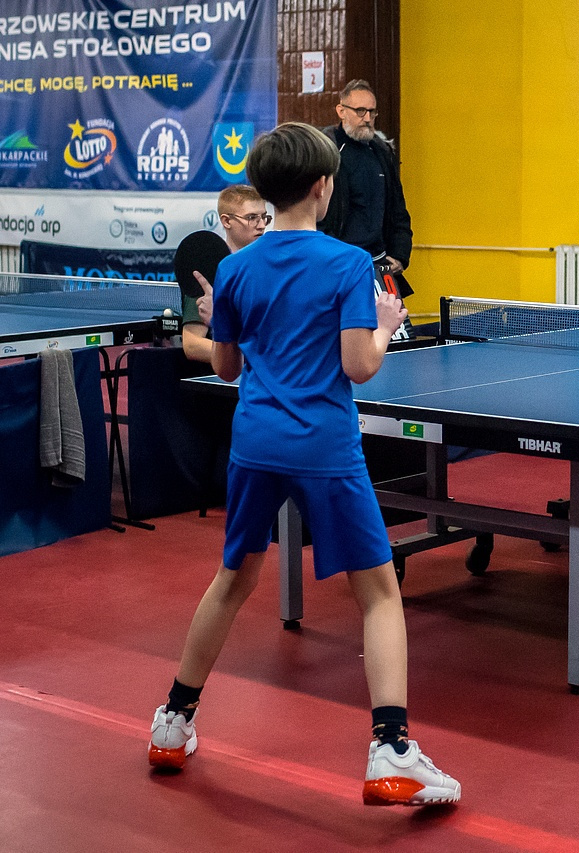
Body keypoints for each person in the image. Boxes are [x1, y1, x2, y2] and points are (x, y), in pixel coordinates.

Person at [147, 122, 460, 807]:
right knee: (379, 592)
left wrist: (219, 317)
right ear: (322, 187)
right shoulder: (349, 263)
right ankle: (392, 750)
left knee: (232, 578)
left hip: (256, 442)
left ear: (268, 191)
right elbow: (360, 365)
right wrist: (386, 327)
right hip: (324, 445)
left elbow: (226, 367)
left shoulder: (235, 268)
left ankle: (173, 721)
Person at [318, 79, 415, 297]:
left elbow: (398, 209)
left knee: (395, 319)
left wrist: (400, 255)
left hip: (380, 265)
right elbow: (313, 213)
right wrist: (332, 258)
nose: (368, 119)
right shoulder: (326, 151)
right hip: (339, 266)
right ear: (341, 111)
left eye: (372, 112)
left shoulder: (382, 152)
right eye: (360, 111)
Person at [181, 185, 270, 364]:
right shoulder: (208, 269)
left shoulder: (268, 267)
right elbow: (192, 344)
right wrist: (250, 357)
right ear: (226, 221)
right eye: (251, 218)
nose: (261, 225)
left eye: (264, 217)